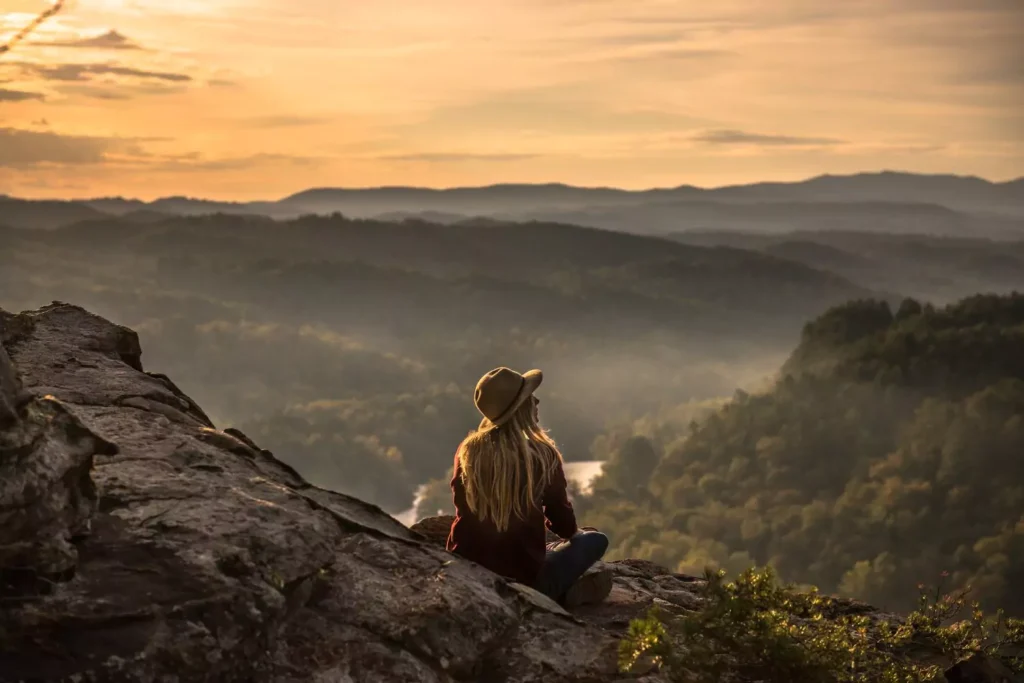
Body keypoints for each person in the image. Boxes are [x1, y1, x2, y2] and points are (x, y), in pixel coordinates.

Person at [446, 366, 612, 607]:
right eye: (529, 397)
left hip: (467, 568)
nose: (537, 400)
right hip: (522, 578)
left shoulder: (468, 452)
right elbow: (561, 520)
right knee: (595, 540)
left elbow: (461, 505)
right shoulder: (542, 455)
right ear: (520, 408)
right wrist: (574, 535)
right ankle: (555, 596)